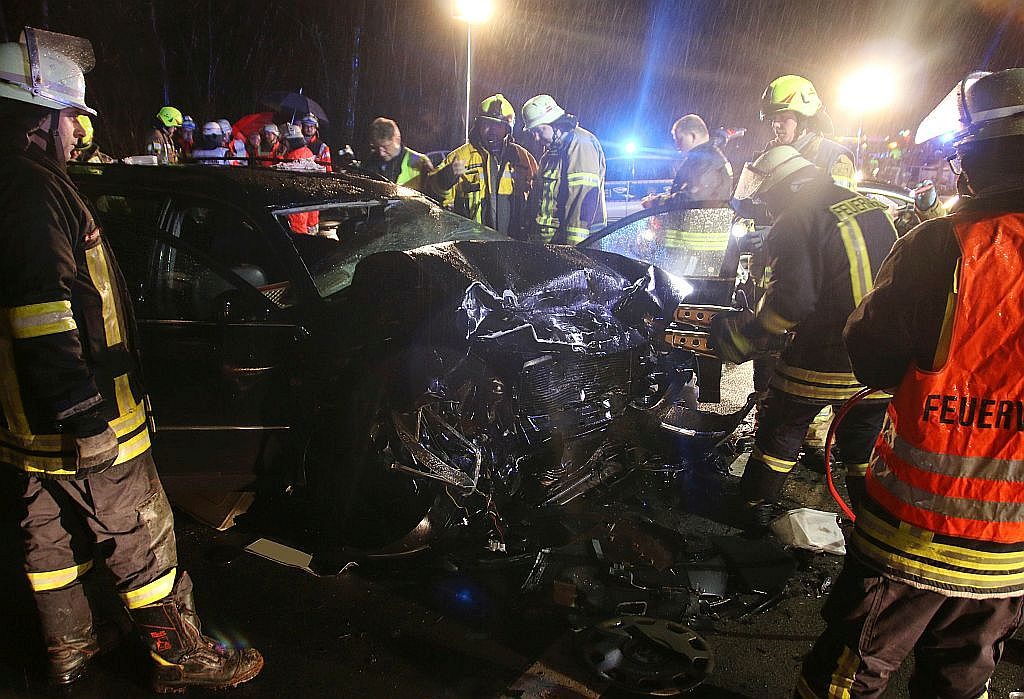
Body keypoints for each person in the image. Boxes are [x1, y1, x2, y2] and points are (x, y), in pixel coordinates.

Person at [0, 28, 263, 691]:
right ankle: (184, 658)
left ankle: (71, 646)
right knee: (143, 538)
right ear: (40, 115)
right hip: (87, 422)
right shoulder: (33, 192)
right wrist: (83, 412)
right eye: (71, 119)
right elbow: (41, 314)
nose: (77, 135)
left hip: (21, 424)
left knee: (49, 544)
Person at [797, 67, 1024, 699]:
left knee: (853, 669)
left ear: (979, 154)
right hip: (1012, 551)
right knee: (960, 678)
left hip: (911, 532)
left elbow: (870, 359)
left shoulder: (944, 246)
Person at [710, 146, 896, 528]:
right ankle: (873, 524)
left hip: (825, 353)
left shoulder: (796, 217)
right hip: (878, 355)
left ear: (784, 188)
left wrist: (744, 337)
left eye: (766, 197)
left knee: (782, 425)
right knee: (862, 441)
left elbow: (792, 302)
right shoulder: (868, 207)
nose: (763, 206)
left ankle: (753, 510)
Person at [428, 93, 538, 238]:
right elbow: (433, 197)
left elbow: (539, 199)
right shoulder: (461, 157)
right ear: (478, 125)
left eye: (498, 125)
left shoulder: (523, 158)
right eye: (487, 124)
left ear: (508, 129)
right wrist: (446, 178)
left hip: (515, 244)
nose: (492, 130)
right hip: (473, 244)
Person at [521, 94, 606, 244]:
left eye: (539, 131)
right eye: (532, 133)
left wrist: (574, 251)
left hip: (569, 247)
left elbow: (580, 203)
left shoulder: (580, 144)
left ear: (555, 123)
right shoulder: (548, 157)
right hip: (548, 246)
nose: (535, 138)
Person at [759, 74, 856, 190]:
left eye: (784, 118)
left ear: (803, 119)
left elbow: (842, 203)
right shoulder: (772, 153)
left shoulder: (836, 157)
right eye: (773, 119)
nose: (775, 125)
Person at [643, 114, 733, 207]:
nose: (677, 146)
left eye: (680, 139)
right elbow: (686, 192)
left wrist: (656, 203)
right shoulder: (704, 158)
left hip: (700, 221)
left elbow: (690, 199)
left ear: (692, 136)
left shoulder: (708, 161)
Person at [364, 117, 434, 192]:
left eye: (385, 147)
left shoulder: (421, 163)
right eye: (377, 147)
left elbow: (433, 196)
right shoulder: (369, 160)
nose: (381, 153)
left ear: (397, 140)